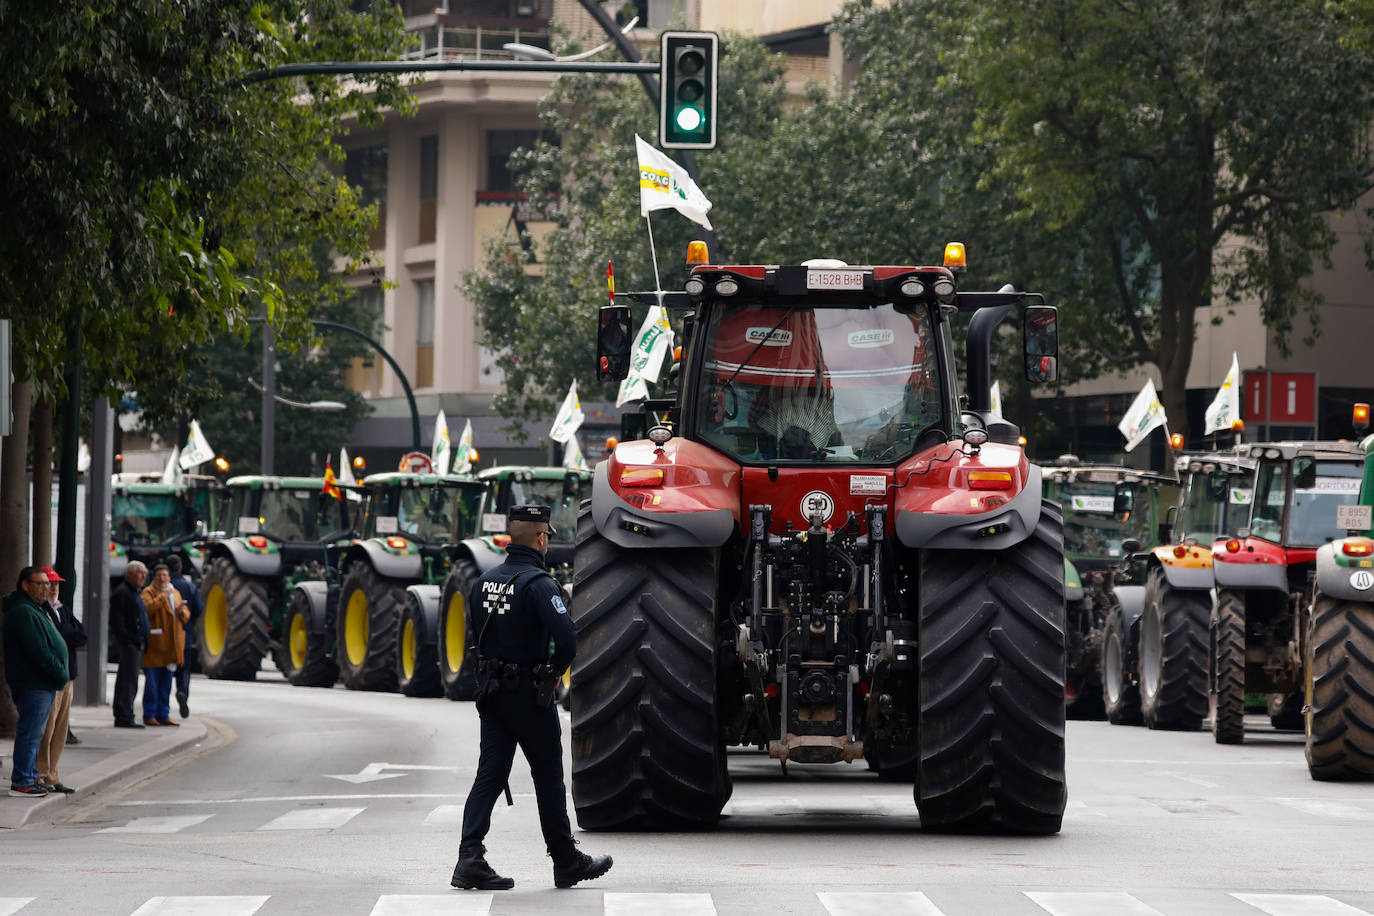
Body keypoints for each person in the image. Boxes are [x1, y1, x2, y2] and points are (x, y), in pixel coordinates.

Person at [451, 505, 611, 891]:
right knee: (548, 776)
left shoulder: (484, 581)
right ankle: (565, 860)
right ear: (541, 539)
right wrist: (553, 672)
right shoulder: (539, 584)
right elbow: (568, 639)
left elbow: (479, 637)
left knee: (489, 775)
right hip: (529, 696)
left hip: (492, 694)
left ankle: (469, 856)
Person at [3, 567, 67, 797]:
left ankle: (29, 775)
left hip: (40, 682)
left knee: (34, 733)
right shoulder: (23, 611)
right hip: (34, 682)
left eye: (47, 584)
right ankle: (22, 781)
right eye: (40, 584)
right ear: (25, 585)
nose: (46, 588)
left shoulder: (33, 608)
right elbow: (38, 651)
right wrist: (60, 672)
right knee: (30, 733)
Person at [36, 567, 86, 794]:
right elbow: (58, 635)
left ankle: (53, 774)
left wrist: (64, 633)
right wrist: (66, 633)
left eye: (56, 584)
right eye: (50, 584)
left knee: (60, 730)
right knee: (47, 728)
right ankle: (41, 774)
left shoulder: (62, 609)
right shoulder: (41, 610)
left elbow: (81, 635)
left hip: (68, 677)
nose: (54, 588)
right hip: (53, 678)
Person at [140, 564, 189, 727]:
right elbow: (146, 609)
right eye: (159, 575)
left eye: (165, 575)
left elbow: (185, 615)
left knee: (166, 685)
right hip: (155, 645)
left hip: (171, 647)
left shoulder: (175, 592)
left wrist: (181, 611)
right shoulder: (148, 592)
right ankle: (150, 714)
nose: (162, 578)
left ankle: (164, 714)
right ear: (154, 578)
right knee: (152, 684)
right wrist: (162, 597)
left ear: (170, 577)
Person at [110, 561, 150, 728]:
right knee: (127, 681)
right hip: (129, 644)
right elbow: (117, 620)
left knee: (130, 680)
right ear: (131, 574)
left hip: (135, 643)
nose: (144, 576)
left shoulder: (134, 592)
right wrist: (129, 640)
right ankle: (124, 716)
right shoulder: (123, 592)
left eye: (145, 573)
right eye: (140, 573)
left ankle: (126, 714)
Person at [165, 556, 202, 718]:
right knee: (184, 669)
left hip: (164, 638)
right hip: (184, 635)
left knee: (164, 671)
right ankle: (182, 692)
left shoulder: (164, 587)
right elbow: (200, 609)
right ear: (180, 568)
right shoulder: (189, 587)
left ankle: (162, 704)